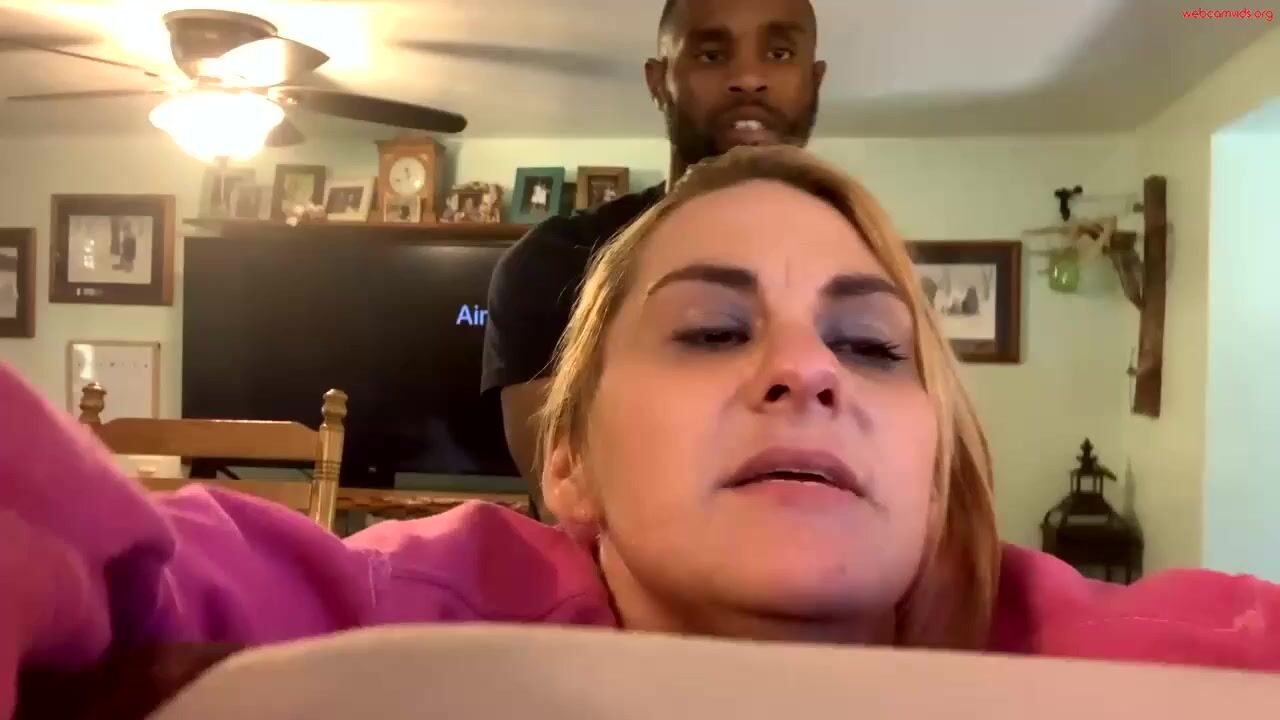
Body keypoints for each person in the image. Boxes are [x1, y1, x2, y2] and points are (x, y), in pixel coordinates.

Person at [4, 147, 1280, 720]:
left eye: (869, 346)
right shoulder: (406, 603)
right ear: (566, 461)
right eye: (712, 330)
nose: (803, 370)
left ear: (937, 465)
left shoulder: (1085, 638)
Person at [482, 0, 827, 498]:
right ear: (658, 80)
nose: (749, 78)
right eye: (711, 55)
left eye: (778, 52)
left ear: (814, 80)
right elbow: (574, 499)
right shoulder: (555, 261)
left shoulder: (861, 270)